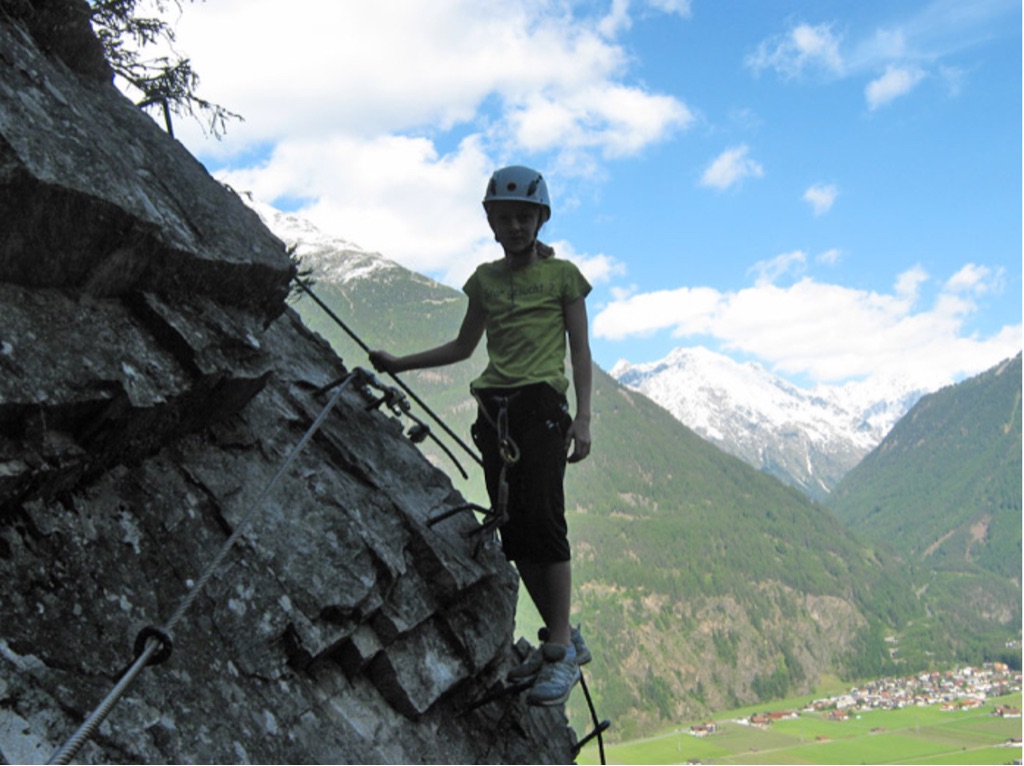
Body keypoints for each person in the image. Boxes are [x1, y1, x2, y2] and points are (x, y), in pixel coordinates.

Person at [369, 165, 593, 707]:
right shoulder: (485, 281)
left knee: (543, 518)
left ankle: (560, 649)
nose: (515, 226)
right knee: (513, 530)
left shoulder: (564, 276)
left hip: (541, 406)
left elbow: (581, 352)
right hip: (495, 411)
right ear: (491, 223)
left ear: (540, 219)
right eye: (505, 217)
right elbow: (463, 347)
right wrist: (401, 364)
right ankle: (563, 638)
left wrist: (584, 418)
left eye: (524, 216)